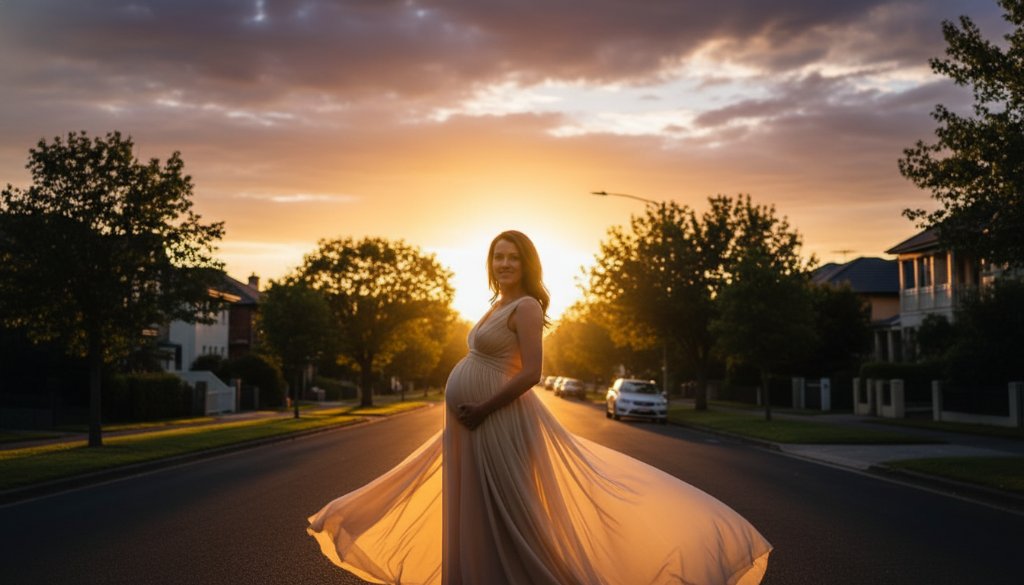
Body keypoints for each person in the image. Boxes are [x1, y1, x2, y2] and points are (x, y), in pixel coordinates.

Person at [307, 230, 772, 585]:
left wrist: (484, 407)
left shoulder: (526, 306)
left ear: (527, 264)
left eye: (513, 257)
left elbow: (532, 373)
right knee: (476, 511)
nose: (504, 263)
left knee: (512, 512)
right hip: (472, 422)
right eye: (498, 256)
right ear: (490, 263)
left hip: (495, 420)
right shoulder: (495, 303)